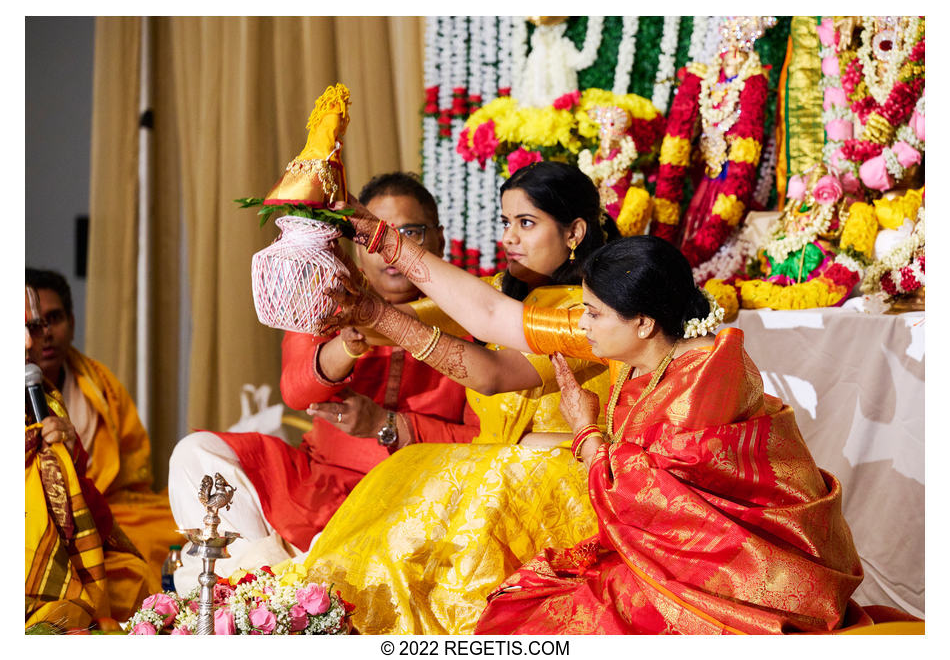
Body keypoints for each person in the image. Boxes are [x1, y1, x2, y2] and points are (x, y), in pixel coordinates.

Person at [328, 187, 920, 633]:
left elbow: (661, 497)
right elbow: (488, 317)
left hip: (733, 574)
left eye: (589, 315)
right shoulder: (633, 337)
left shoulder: (705, 374)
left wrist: (585, 429)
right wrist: (374, 240)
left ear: (640, 320)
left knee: (527, 618)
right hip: (648, 543)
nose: (578, 326)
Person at [298, 161, 617, 634]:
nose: (509, 237)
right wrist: (332, 286)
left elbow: (491, 374)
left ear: (574, 232)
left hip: (558, 474)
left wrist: (377, 244)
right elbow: (403, 315)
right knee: (407, 484)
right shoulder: (505, 296)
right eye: (505, 223)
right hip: (497, 466)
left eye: (526, 223)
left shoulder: (592, 312)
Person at [167, 172, 475, 590]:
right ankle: (277, 588)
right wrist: (348, 343)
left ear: (438, 238)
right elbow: (296, 391)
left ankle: (269, 587)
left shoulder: (473, 314)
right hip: (316, 483)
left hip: (415, 496)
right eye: (376, 237)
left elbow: (483, 443)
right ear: (357, 246)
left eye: (409, 232)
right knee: (195, 453)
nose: (391, 250)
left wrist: (388, 426)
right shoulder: (330, 295)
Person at [25, 268, 180, 589]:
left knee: (188, 529)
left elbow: (132, 470)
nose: (44, 335)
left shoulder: (98, 382)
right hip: (37, 522)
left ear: (72, 322)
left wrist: (72, 455)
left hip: (105, 506)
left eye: (49, 321)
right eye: (34, 325)